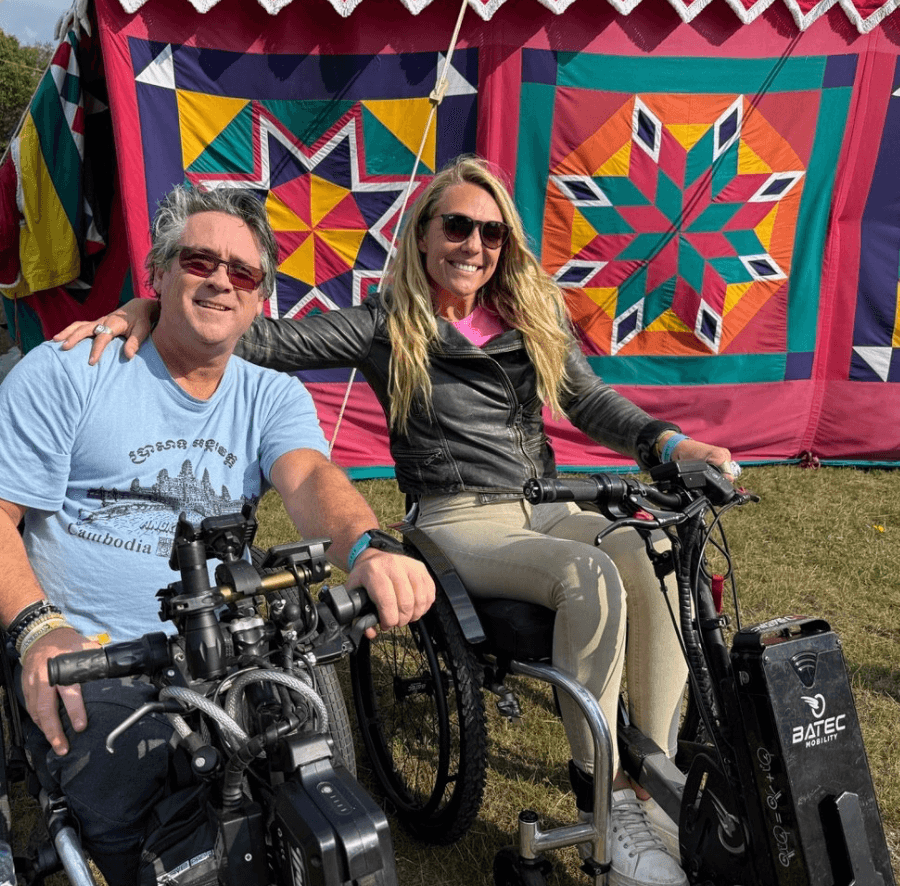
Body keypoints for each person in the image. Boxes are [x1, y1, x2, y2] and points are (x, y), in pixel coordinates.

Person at [57, 156, 737, 886]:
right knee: (590, 573)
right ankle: (602, 798)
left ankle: (652, 779)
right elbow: (261, 338)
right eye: (457, 226)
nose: (473, 245)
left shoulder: (531, 316)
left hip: (544, 505)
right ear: (422, 235)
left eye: (491, 233)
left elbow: (592, 401)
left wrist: (670, 443)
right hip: (454, 519)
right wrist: (149, 308)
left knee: (656, 547)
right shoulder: (386, 324)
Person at [0, 184, 434, 886]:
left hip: (224, 653)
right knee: (134, 821)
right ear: (159, 272)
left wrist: (365, 544)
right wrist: (38, 629)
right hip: (97, 659)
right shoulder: (69, 371)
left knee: (318, 806)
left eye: (242, 272)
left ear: (260, 298)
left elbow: (308, 480)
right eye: (199, 260)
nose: (220, 280)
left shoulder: (270, 395)